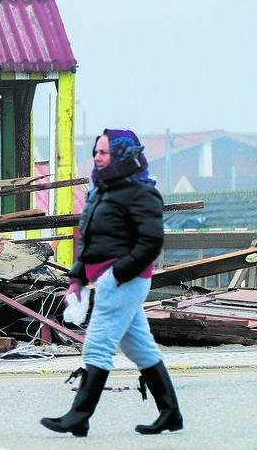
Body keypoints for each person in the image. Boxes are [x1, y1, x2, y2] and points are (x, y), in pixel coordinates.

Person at [40, 128, 184, 437]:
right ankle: (171, 413)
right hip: (107, 279)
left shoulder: (142, 192)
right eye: (95, 152)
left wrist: (115, 276)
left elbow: (151, 242)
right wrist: (77, 276)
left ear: (122, 155)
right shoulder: (102, 190)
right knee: (141, 348)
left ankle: (78, 416)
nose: (97, 157)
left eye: (103, 152)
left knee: (97, 344)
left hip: (123, 281)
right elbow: (92, 242)